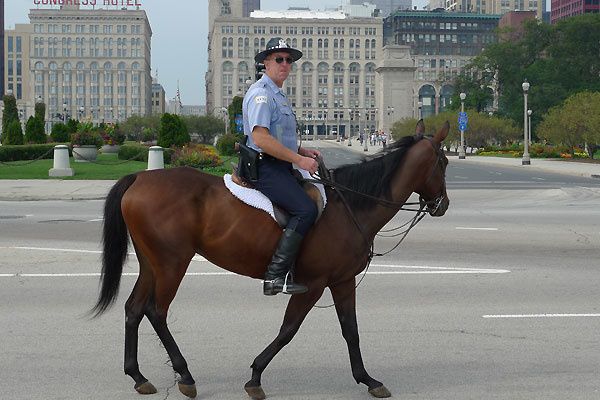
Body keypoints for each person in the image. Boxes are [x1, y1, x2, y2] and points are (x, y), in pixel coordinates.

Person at [242, 37, 321, 296]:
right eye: (279, 59)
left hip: (279, 164)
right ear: (266, 63)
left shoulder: (278, 95)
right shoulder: (262, 95)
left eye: (289, 60)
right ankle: (275, 276)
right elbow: (261, 138)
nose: (285, 64)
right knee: (305, 210)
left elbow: (277, 137)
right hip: (265, 168)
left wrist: (301, 150)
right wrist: (299, 161)